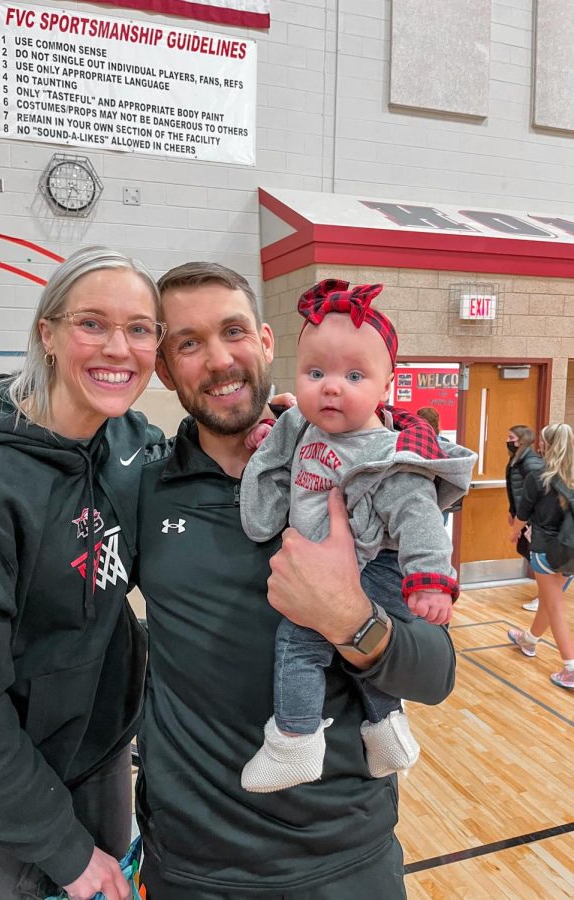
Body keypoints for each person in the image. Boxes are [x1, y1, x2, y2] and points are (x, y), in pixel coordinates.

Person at [132, 262, 457, 899]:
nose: (220, 359)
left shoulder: (373, 473)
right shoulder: (141, 487)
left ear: (266, 342)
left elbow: (435, 674)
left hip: (346, 860)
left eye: (233, 332)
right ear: (165, 369)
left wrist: (348, 619)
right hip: (195, 867)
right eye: (189, 343)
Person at [0, 247, 168, 900]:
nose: (119, 347)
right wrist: (68, 854)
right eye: (92, 324)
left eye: (139, 328)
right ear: (46, 333)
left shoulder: (127, 442)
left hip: (94, 751)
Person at [238, 280, 476, 793]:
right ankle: (387, 730)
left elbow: (419, 519)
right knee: (353, 662)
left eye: (353, 375)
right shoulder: (303, 429)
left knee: (298, 645)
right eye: (315, 372)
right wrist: (268, 436)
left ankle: (295, 741)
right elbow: (279, 470)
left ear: (387, 386)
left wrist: (430, 579)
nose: (330, 386)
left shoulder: (389, 456)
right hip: (331, 564)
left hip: (376, 570)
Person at [508, 423, 574, 689]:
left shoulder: (539, 477)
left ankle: (570, 667)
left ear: (546, 444)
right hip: (571, 551)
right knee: (550, 601)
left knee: (554, 606)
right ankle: (529, 640)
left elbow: (522, 514)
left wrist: (514, 533)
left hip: (546, 549)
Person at [506, 425, 544, 612]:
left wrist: (525, 521)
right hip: (524, 516)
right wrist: (512, 511)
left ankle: (545, 596)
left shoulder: (531, 463)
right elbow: (516, 490)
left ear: (521, 439)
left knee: (535, 556)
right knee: (527, 552)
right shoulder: (517, 459)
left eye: (511, 437)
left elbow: (536, 493)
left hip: (533, 519)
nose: (508, 440)